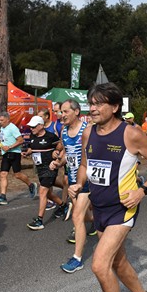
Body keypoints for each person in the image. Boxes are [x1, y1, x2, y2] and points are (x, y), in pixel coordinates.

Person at [68, 82, 147, 292]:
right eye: (91, 103)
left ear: (114, 106)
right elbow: (85, 165)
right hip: (99, 207)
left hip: (122, 208)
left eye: (99, 103)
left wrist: (142, 191)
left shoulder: (130, 134)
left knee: (100, 265)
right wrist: (78, 184)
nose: (93, 108)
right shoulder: (88, 133)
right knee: (118, 262)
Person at [57, 100, 95, 273]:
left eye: (65, 111)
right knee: (86, 216)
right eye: (60, 112)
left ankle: (77, 258)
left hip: (86, 180)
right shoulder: (64, 131)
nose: (62, 115)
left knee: (77, 216)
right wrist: (58, 162)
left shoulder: (87, 130)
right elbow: (68, 154)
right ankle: (99, 221)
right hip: (73, 181)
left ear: (77, 111)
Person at [22, 115, 68, 230]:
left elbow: (60, 144)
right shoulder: (33, 136)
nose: (31, 129)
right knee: (47, 193)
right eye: (30, 127)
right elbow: (32, 148)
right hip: (40, 168)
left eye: (33, 126)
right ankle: (64, 205)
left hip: (50, 167)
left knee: (42, 192)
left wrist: (57, 151)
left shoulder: (50, 136)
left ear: (41, 126)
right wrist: (27, 153)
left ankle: (39, 220)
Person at [0, 112, 36, 205]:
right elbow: (0, 140)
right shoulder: (2, 128)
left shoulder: (13, 128)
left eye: (2, 120)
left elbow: (21, 140)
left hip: (14, 153)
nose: (0, 122)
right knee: (3, 174)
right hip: (5, 154)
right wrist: (0, 146)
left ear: (8, 119)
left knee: (17, 175)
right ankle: (3, 196)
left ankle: (31, 185)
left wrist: (10, 147)